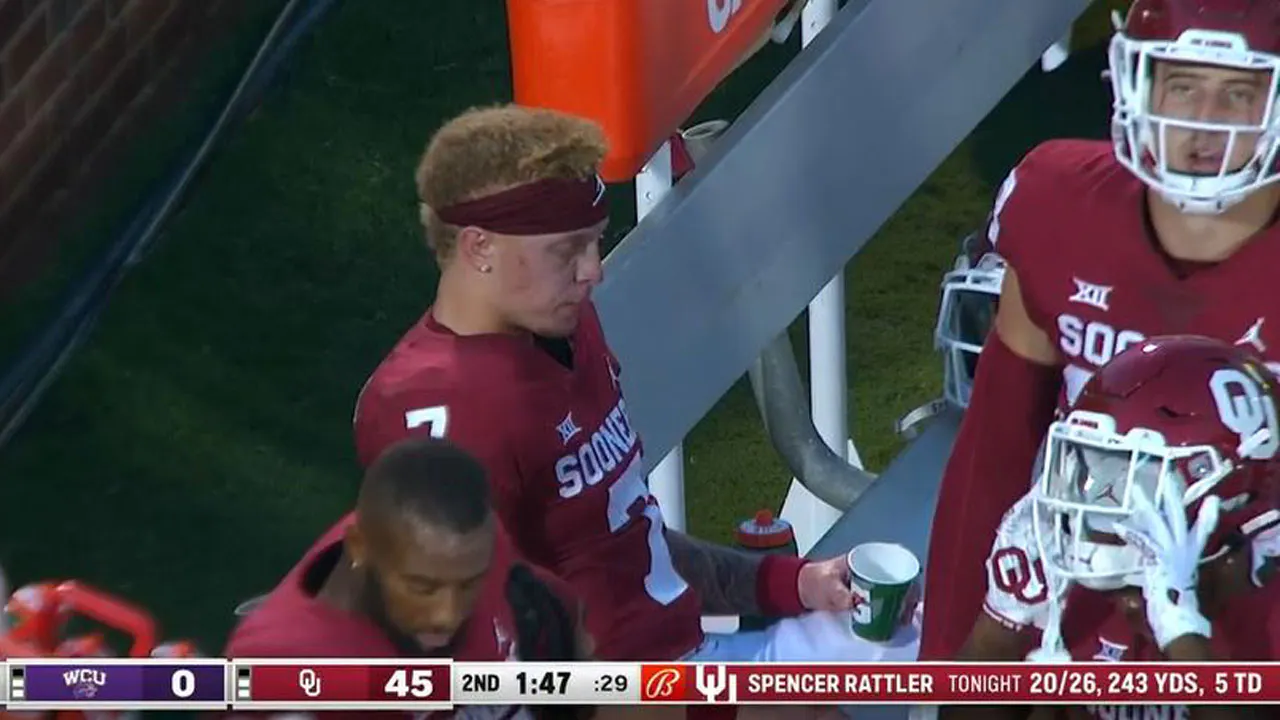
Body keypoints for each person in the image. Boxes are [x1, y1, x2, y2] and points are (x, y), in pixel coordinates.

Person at [352, 104, 856, 665]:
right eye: (566, 250)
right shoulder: (430, 407)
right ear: (479, 247)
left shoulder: (565, 324)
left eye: (595, 242)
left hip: (689, 657)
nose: (592, 269)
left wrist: (789, 583)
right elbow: (478, 670)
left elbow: (623, 541)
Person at [919, 0, 1280, 660]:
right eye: (1183, 86)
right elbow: (995, 454)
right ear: (1138, 82)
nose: (1204, 122)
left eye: (1239, 93)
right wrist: (948, 656)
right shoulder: (1060, 204)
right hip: (1080, 620)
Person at [946, 335, 1280, 720]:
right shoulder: (1079, 589)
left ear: (1230, 488)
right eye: (1094, 467)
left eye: (1138, 480)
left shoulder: (1266, 617)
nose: (1097, 507)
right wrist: (1001, 623)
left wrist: (1184, 638)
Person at [225, 436, 594, 720]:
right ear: (360, 548)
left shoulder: (479, 546)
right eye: (423, 587)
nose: (448, 615)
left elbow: (577, 632)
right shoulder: (287, 671)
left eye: (469, 584)